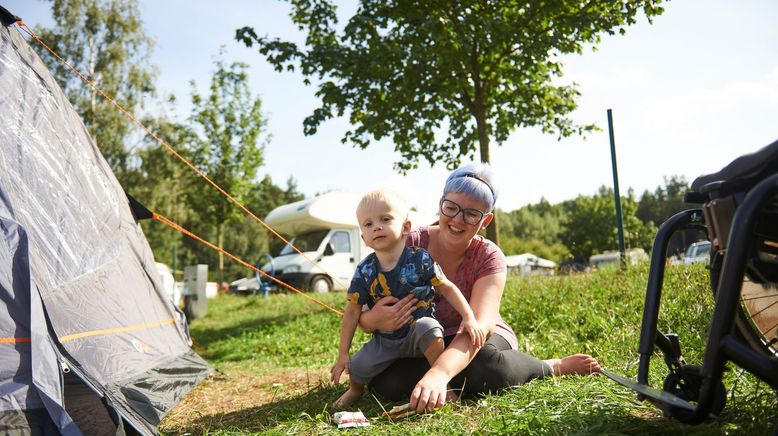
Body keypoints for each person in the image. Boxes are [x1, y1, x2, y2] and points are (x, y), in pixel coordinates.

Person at [359, 162, 602, 413]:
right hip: (421, 341)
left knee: (489, 367)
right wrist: (374, 319)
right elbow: (363, 315)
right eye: (451, 207)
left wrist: (440, 373)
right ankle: (446, 379)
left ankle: (549, 367)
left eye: (471, 214)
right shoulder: (408, 243)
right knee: (385, 383)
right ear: (440, 203)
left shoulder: (488, 255)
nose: (457, 220)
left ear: (486, 220)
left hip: (475, 336)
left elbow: (481, 326)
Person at [330, 188, 486, 408]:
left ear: (405, 227)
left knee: (430, 328)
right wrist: (343, 353)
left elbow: (447, 287)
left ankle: (444, 383)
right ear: (364, 238)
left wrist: (469, 317)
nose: (376, 226)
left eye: (385, 219)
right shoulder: (365, 270)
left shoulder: (420, 258)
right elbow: (353, 310)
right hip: (385, 340)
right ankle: (355, 390)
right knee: (358, 367)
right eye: (368, 224)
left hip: (417, 333)